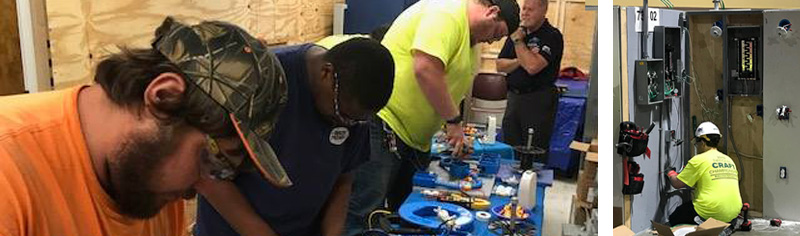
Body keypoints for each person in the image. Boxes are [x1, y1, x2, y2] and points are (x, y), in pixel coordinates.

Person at [0, 17, 292, 236]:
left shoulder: (148, 183)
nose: (199, 189)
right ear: (163, 96)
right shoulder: (9, 174)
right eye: (214, 160)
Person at [345, 0, 520, 234]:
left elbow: (451, 85)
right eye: (496, 34)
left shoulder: (471, 38)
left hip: (414, 140)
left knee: (409, 212)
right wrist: (453, 121)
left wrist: (455, 129)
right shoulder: (446, 13)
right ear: (492, 12)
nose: (491, 41)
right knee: (365, 210)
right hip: (386, 124)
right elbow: (425, 68)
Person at [193, 38, 395, 236]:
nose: (346, 124)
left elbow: (343, 178)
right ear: (327, 73)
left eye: (355, 120)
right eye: (341, 114)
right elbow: (211, 179)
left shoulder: (353, 106)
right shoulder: (260, 80)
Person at [496, 0, 564, 152]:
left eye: (530, 10)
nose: (525, 13)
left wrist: (519, 43)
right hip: (514, 98)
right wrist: (522, 60)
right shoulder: (516, 33)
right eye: (524, 9)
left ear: (543, 11)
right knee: (510, 147)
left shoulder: (551, 36)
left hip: (538, 100)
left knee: (533, 149)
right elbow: (500, 65)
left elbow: (533, 67)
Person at [667, 122, 743, 226]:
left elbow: (677, 184)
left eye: (697, 143)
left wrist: (670, 173)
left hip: (710, 211)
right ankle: (724, 225)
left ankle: (702, 224)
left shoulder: (698, 160)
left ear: (702, 143)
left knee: (674, 218)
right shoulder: (728, 160)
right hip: (733, 213)